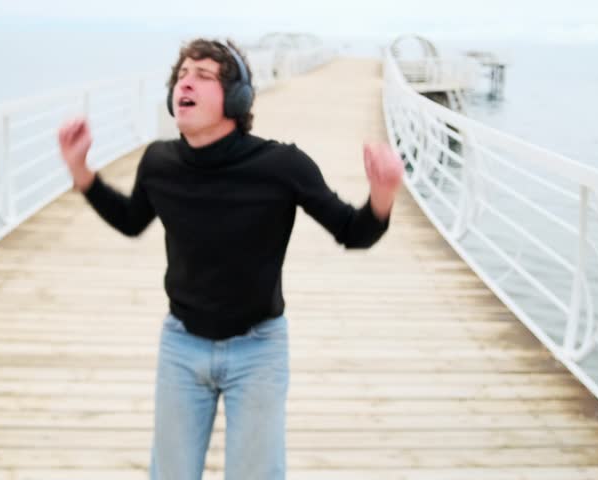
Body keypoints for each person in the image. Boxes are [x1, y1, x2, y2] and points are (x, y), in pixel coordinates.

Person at [58, 38, 404, 480]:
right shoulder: (159, 161)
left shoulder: (282, 165)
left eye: (204, 76)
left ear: (237, 99)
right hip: (181, 344)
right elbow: (130, 219)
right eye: (182, 75)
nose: (187, 82)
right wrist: (82, 172)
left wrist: (382, 196)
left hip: (258, 349)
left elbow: (353, 233)